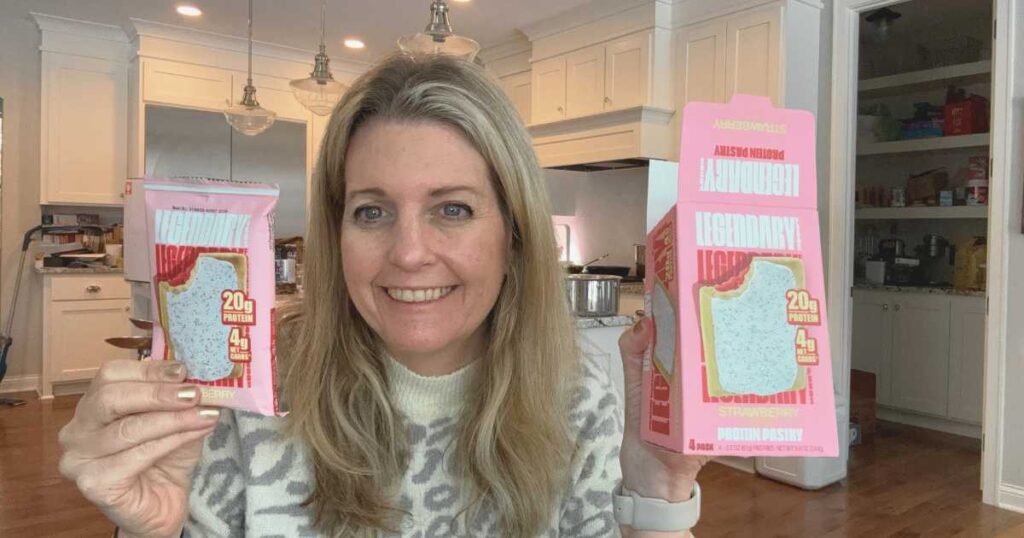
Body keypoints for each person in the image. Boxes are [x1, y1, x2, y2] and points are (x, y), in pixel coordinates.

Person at [58, 53, 705, 537]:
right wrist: (148, 528)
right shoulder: (252, 395)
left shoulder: (576, 397)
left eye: (452, 209)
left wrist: (660, 489)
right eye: (371, 212)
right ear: (336, 233)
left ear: (512, 236)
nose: (409, 252)